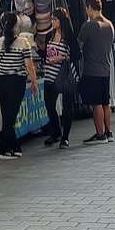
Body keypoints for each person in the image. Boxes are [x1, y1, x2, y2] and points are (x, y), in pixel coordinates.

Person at [0, 12, 38, 159]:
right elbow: (29, 65)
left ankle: (8, 148)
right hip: (18, 82)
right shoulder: (24, 43)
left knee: (7, 115)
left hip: (3, 82)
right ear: (16, 25)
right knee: (10, 116)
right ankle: (12, 148)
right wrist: (33, 81)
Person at [79, 0, 115, 143]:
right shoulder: (109, 25)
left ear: (89, 8)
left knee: (96, 103)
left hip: (92, 69)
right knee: (105, 102)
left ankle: (99, 134)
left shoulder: (88, 25)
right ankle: (108, 132)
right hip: (106, 69)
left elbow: (79, 45)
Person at [41, 8, 78, 148]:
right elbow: (46, 53)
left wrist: (62, 57)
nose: (52, 22)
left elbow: (76, 55)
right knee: (49, 105)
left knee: (67, 106)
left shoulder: (69, 36)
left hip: (65, 74)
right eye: (52, 19)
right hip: (50, 74)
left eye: (55, 19)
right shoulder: (49, 35)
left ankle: (65, 136)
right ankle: (56, 132)